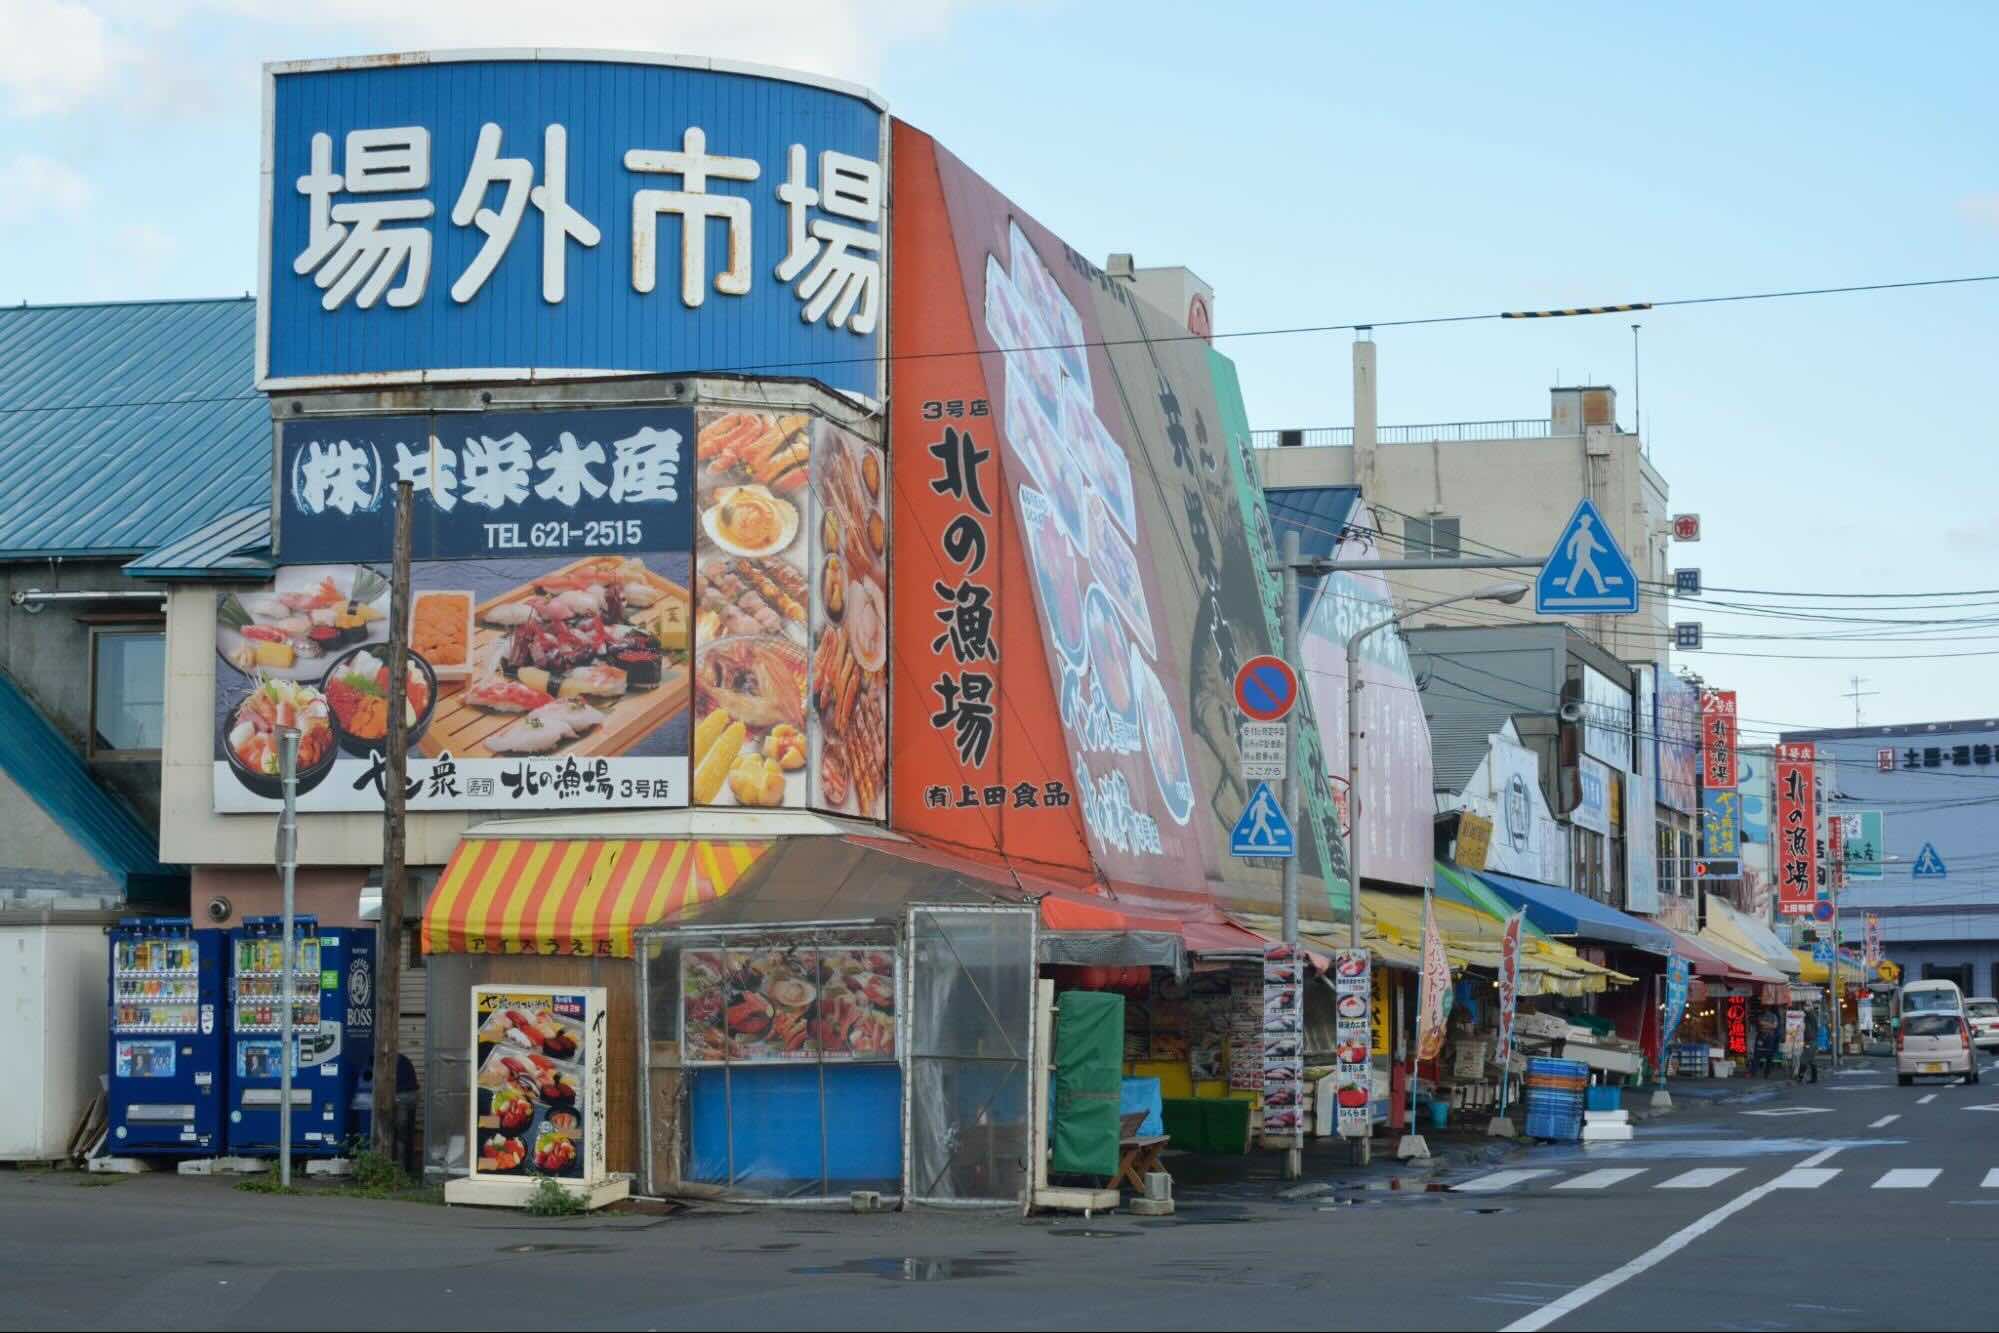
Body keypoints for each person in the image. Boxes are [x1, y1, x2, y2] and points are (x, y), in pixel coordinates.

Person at [1753, 1006, 1782, 1077]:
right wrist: (1770, 1025)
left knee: (1768, 1056)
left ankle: (1766, 1073)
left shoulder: (1774, 1016)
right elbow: (1761, 1023)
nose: (1766, 1009)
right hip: (1762, 1036)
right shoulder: (1761, 1015)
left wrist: (1765, 1024)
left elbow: (1774, 1026)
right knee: (1757, 1054)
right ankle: (1754, 1072)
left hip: (1769, 1037)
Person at [1795, 1008, 1821, 1084]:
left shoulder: (1811, 1019)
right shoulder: (1811, 1020)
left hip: (1810, 1042)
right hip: (1811, 1041)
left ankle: (1800, 1077)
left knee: (1804, 1059)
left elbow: (1810, 1015)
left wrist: (1805, 1010)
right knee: (1811, 1060)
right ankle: (1814, 1078)